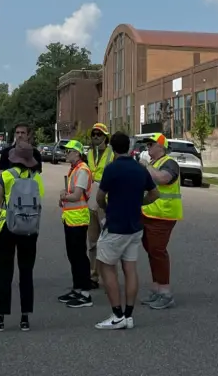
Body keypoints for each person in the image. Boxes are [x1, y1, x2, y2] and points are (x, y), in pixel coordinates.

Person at [93, 132, 160, 330]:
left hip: (116, 226)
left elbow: (99, 197)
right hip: (135, 226)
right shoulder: (140, 169)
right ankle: (129, 315)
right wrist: (140, 202)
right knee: (130, 268)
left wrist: (106, 206)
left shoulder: (111, 169)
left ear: (113, 148)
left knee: (106, 266)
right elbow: (155, 193)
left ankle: (117, 314)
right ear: (130, 148)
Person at [0, 141, 45, 332]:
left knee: (5, 272)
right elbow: (39, 202)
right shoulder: (37, 178)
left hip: (7, 227)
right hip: (29, 228)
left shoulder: (6, 175)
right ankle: (25, 318)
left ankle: (0, 318)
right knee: (26, 272)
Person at [139, 133, 184, 310]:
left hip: (164, 215)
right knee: (152, 251)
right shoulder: (153, 163)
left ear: (161, 146)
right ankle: (157, 289)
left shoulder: (169, 163)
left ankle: (165, 293)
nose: (147, 148)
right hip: (149, 214)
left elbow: (163, 179)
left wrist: (145, 167)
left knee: (158, 251)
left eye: (151, 145)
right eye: (147, 145)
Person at [57, 140, 94, 308]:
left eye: (69, 151)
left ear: (77, 153)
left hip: (78, 218)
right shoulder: (74, 169)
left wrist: (63, 196)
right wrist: (65, 196)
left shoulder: (83, 170)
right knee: (72, 254)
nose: (66, 154)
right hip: (70, 217)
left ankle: (85, 293)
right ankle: (77, 288)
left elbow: (77, 194)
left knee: (79, 255)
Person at [85, 123, 113, 288]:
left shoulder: (111, 153)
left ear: (105, 137)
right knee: (92, 241)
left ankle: (109, 277)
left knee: (108, 241)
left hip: (106, 201)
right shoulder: (88, 153)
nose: (96, 137)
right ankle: (93, 276)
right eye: (94, 134)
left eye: (99, 134)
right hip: (90, 200)